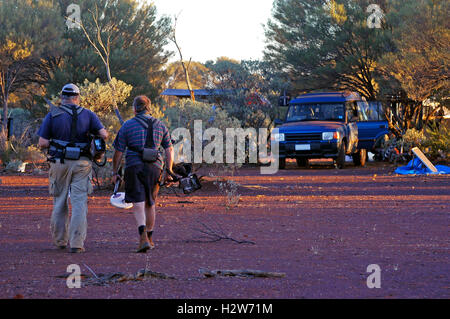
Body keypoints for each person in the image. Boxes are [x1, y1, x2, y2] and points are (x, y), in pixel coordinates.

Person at [37, 84, 108, 253]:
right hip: (82, 164)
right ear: (77, 97)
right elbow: (104, 135)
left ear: (62, 97)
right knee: (79, 203)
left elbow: (42, 143)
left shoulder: (53, 115)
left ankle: (60, 241)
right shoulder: (89, 114)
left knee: (60, 201)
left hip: (59, 163)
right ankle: (76, 244)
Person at [112, 95, 175, 253]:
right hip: (155, 167)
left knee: (138, 203)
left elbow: (118, 152)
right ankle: (150, 238)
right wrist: (169, 170)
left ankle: (142, 237)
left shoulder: (127, 126)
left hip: (134, 166)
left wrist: (115, 172)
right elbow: (170, 149)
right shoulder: (160, 125)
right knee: (150, 202)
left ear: (134, 109)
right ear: (149, 108)